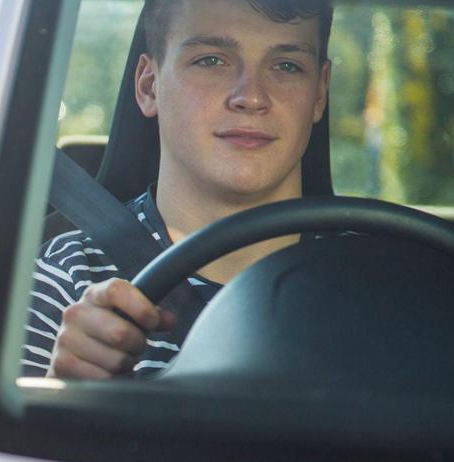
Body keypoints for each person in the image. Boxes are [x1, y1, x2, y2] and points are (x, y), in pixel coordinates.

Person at [23, 0, 332, 378]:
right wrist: (63, 391)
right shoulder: (68, 278)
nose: (251, 97)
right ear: (149, 85)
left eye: (286, 66)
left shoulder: (380, 277)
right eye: (211, 61)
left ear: (319, 93)